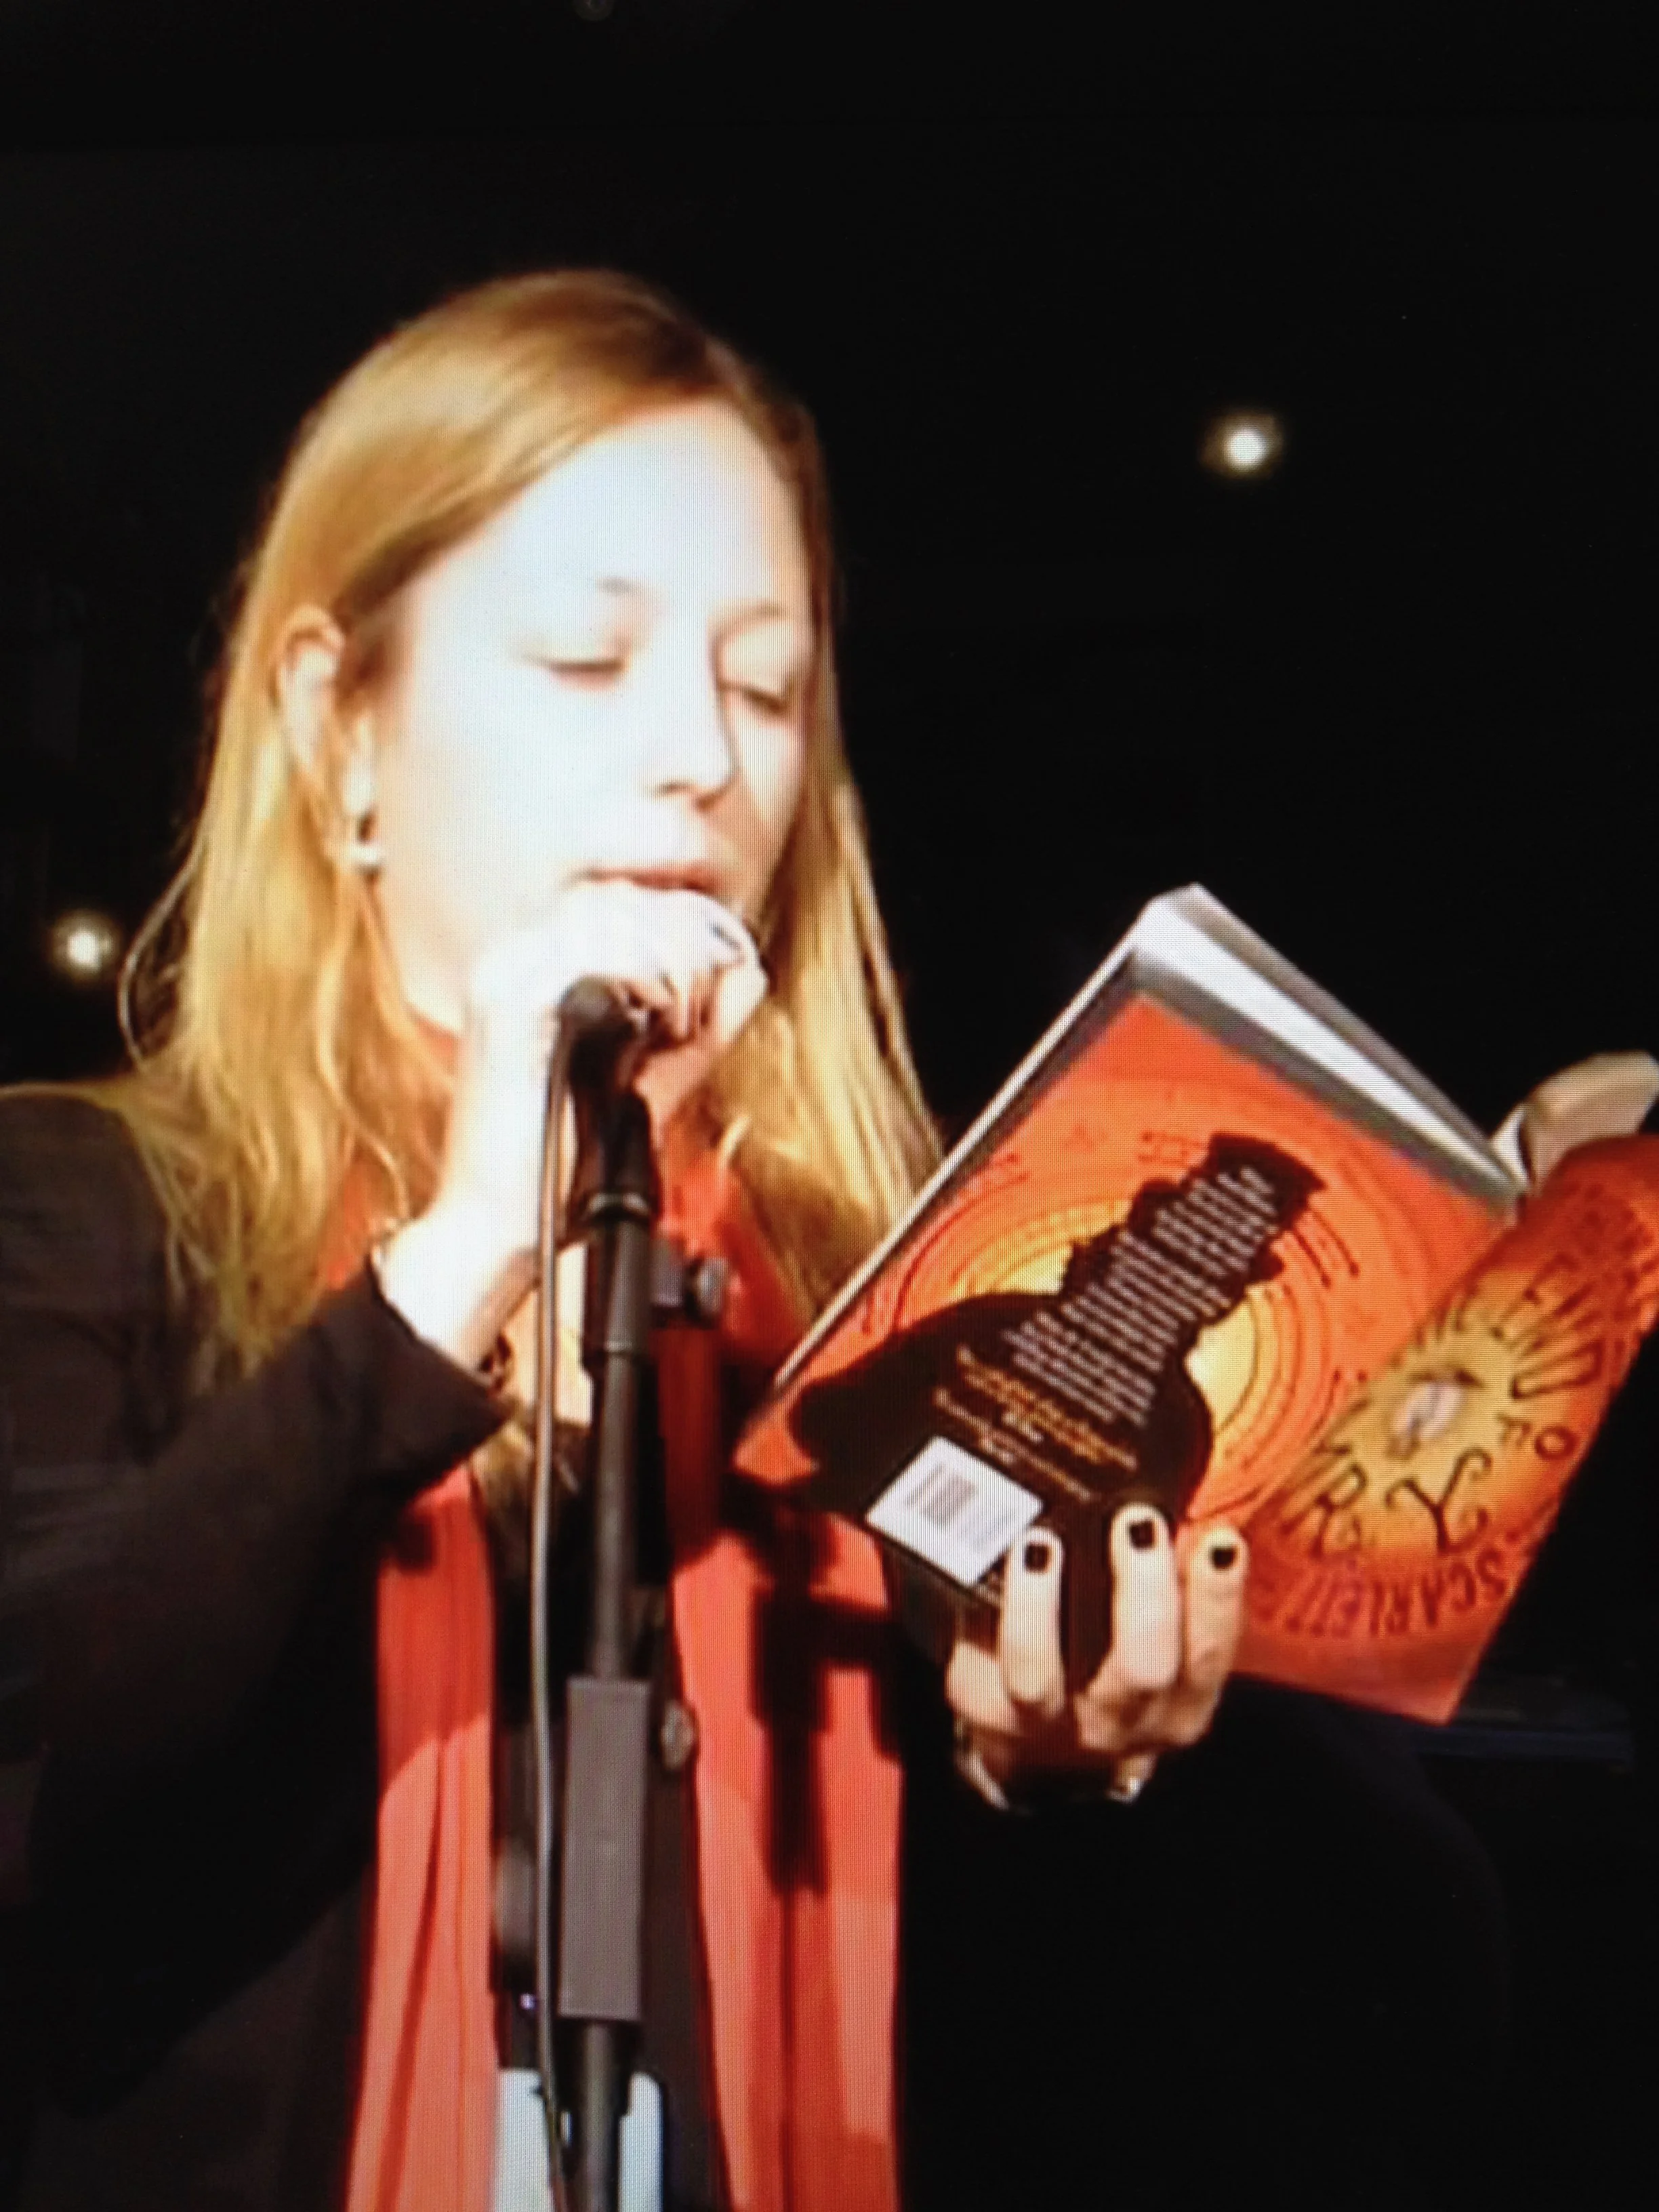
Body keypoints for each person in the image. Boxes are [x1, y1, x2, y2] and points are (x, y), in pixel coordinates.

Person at [0, 269, 1507, 2212]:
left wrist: (1054, 1767)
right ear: (336, 730)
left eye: (768, 684)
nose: (703, 759)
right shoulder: (83, 1211)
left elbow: (1262, 2024)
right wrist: (461, 1258)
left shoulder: (880, 1313)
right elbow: (53, 1786)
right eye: (586, 659)